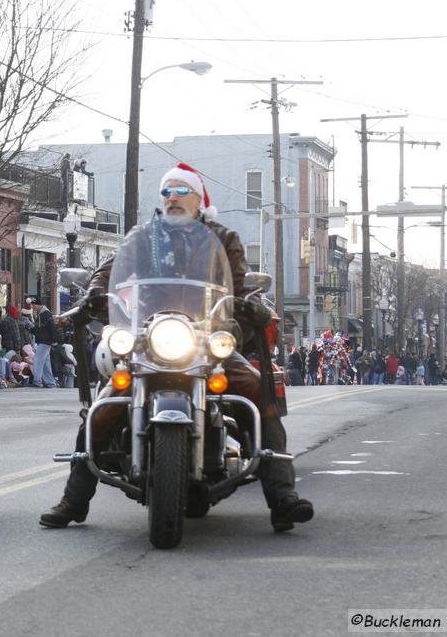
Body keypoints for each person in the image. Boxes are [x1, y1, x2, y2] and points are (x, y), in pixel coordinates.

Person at [39, 161, 313, 534]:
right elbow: (110, 267)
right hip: (148, 336)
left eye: (181, 191)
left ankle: (282, 497)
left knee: (256, 389)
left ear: (199, 200)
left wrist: (251, 301)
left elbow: (239, 280)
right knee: (103, 408)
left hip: (205, 336)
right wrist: (94, 293)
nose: (172, 198)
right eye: (166, 191)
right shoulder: (143, 236)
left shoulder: (222, 237)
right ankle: (74, 499)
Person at [29, 296, 57, 388]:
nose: (32, 307)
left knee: (38, 360)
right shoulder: (41, 314)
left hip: (45, 341)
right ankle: (50, 382)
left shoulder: (45, 314)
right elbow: (38, 329)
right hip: (45, 340)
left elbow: (51, 327)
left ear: (38, 304)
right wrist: (30, 328)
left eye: (33, 305)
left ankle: (37, 381)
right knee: (45, 363)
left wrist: (53, 339)